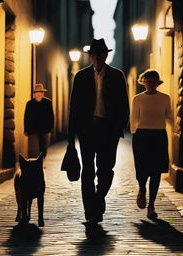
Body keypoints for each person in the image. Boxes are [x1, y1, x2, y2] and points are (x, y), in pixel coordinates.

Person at [68, 38, 129, 224]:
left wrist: (118, 129)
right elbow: (74, 108)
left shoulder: (117, 76)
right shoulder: (80, 77)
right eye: (94, 54)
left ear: (106, 55)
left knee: (106, 169)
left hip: (108, 130)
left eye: (101, 54)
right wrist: (71, 137)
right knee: (87, 171)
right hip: (87, 130)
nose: (97, 57)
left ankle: (98, 197)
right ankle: (90, 213)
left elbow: (123, 106)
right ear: (90, 56)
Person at [130, 69, 173, 220]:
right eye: (148, 82)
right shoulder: (138, 99)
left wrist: (175, 128)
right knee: (142, 169)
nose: (151, 84)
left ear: (157, 83)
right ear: (143, 82)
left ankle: (152, 205)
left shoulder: (165, 98)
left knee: (156, 172)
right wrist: (135, 135)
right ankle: (142, 189)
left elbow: (169, 115)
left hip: (159, 136)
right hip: (142, 136)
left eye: (154, 82)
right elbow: (133, 118)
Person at [24, 83, 54, 158]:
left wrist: (51, 128)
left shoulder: (48, 103)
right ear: (34, 94)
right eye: (36, 93)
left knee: (44, 148)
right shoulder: (30, 104)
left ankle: (41, 162)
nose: (38, 94)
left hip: (45, 129)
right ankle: (34, 165)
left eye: (40, 92)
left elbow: (51, 116)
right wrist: (26, 129)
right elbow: (26, 117)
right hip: (32, 130)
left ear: (43, 93)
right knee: (33, 149)